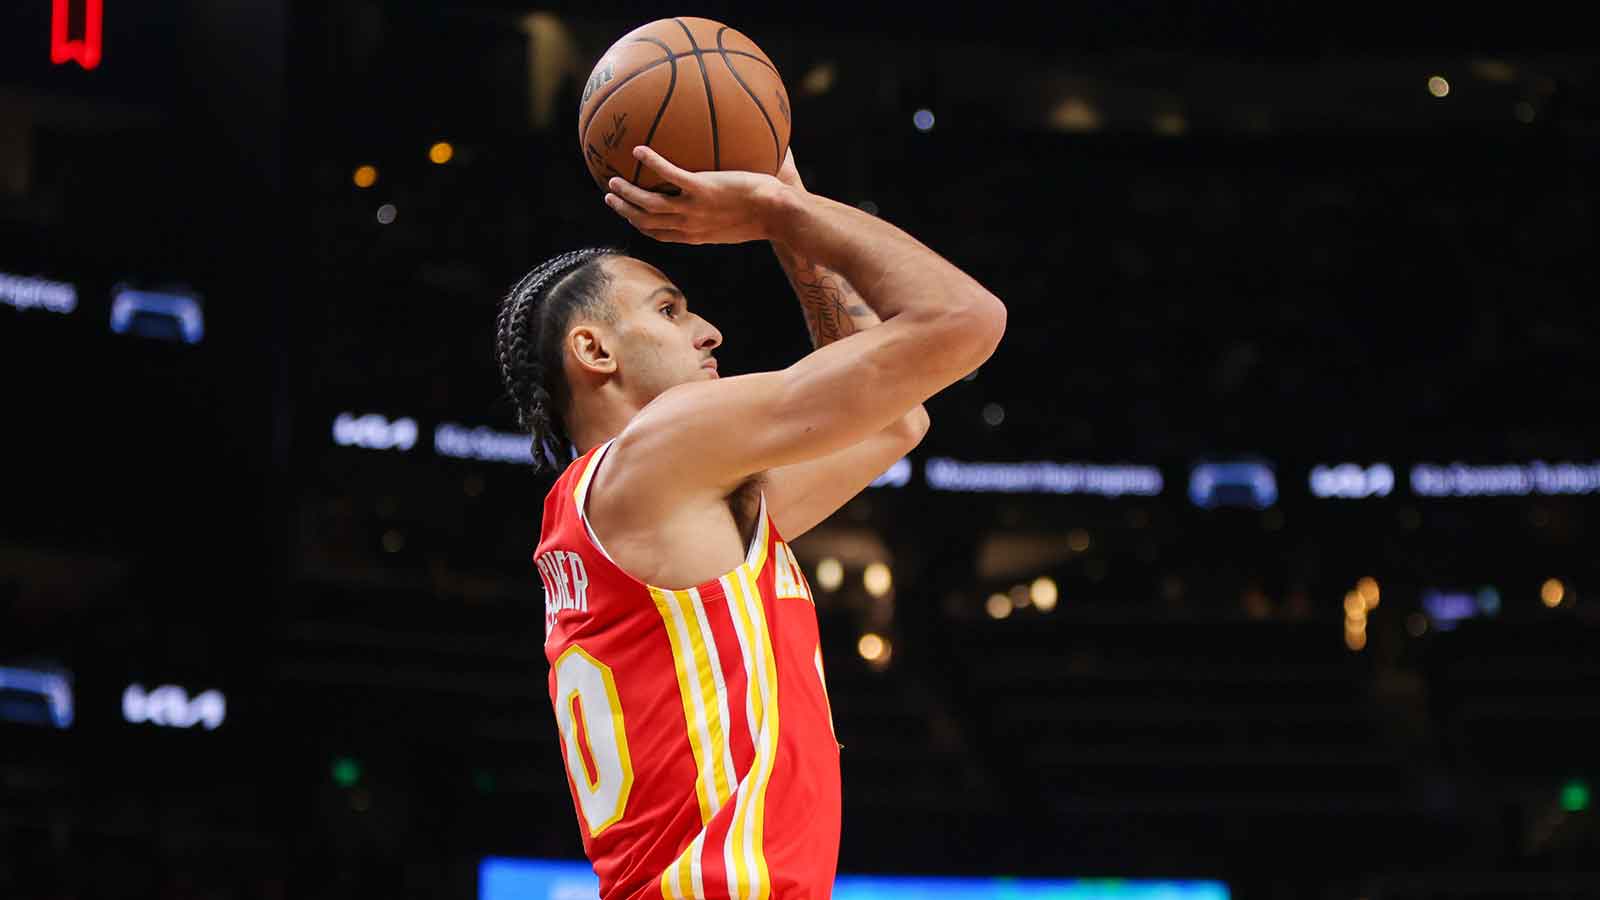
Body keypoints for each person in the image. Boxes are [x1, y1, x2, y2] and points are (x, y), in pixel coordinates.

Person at [494, 144, 1005, 900]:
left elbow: (895, 420)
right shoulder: (659, 448)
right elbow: (966, 319)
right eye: (668, 310)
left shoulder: (656, 501)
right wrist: (785, 212)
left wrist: (794, 229)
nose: (709, 331)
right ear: (593, 350)